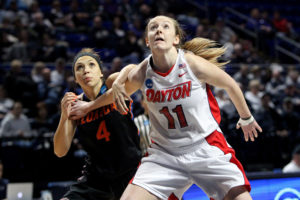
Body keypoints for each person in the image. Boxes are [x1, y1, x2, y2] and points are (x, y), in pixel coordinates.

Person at [69, 16, 262, 200]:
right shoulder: (143, 72)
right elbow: (115, 94)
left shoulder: (191, 64)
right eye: (153, 27)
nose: (158, 29)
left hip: (205, 146)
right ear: (147, 41)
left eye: (165, 26)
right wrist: (89, 107)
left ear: (176, 39)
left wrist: (246, 118)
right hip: (164, 154)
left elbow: (230, 84)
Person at [53, 48, 141, 200]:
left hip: (131, 171)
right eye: (79, 67)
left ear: (101, 72)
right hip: (96, 179)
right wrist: (64, 115)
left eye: (91, 65)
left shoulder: (113, 83)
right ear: (75, 78)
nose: (86, 70)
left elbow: (136, 71)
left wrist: (89, 107)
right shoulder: (75, 106)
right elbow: (60, 151)